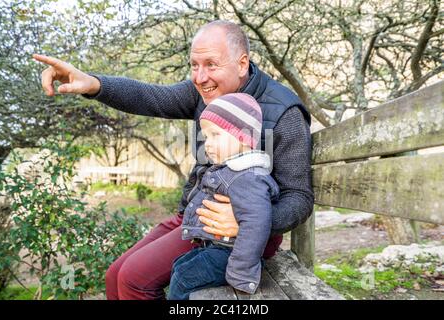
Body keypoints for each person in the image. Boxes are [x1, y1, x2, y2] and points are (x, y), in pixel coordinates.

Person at [33, 20, 314, 300]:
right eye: (194, 65)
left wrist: (246, 220)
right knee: (114, 275)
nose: (200, 77)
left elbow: (299, 196)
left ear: (242, 64)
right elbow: (151, 97)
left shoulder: (283, 112)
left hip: (235, 237)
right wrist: (93, 84)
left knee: (133, 281)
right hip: (196, 213)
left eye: (211, 65)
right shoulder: (205, 92)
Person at [168, 93, 279, 300]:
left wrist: (241, 273)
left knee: (183, 277)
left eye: (215, 135)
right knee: (179, 266)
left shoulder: (248, 176)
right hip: (218, 247)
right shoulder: (232, 170)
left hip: (232, 255)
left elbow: (256, 224)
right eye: (206, 137)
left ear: (242, 137)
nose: (207, 144)